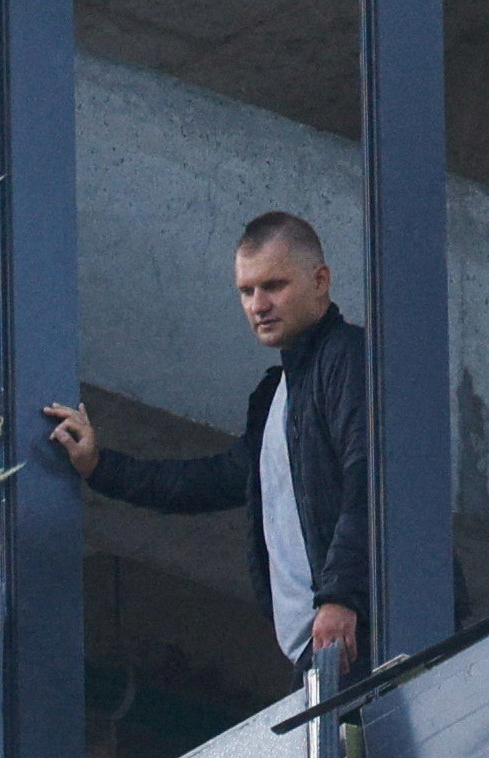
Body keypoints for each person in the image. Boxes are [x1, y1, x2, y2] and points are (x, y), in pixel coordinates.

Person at [42, 210, 370, 674]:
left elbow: (371, 480)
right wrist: (99, 465)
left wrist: (341, 597)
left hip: (365, 634)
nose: (258, 304)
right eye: (246, 290)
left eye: (274, 285)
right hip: (322, 649)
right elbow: (207, 481)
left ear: (320, 281)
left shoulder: (350, 359)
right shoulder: (280, 397)